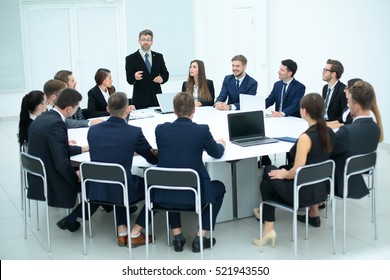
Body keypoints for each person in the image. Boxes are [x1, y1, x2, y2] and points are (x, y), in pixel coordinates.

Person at [253, 93, 336, 247]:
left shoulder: (306, 138)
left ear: (303, 111)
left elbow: (297, 170)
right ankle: (270, 226)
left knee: (268, 173)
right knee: (272, 178)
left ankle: (268, 227)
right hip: (321, 191)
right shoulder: (329, 132)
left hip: (302, 193)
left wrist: (284, 173)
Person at [155, 92, 226, 253]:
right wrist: (221, 143)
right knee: (219, 188)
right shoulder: (201, 130)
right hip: (196, 193)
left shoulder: (161, 130)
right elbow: (216, 153)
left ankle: (177, 237)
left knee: (171, 180)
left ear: (174, 110)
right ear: (194, 109)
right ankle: (201, 237)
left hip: (167, 192)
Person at [87, 92, 158, 247]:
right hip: (122, 187)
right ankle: (136, 232)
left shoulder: (93, 130)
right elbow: (152, 159)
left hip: (96, 187)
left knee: (118, 178)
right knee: (156, 188)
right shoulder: (133, 132)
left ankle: (122, 232)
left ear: (107, 108)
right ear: (127, 110)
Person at [27, 88, 90, 232]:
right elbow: (61, 163)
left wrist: (80, 149)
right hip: (51, 179)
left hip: (38, 176)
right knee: (94, 181)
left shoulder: (44, 116)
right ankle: (72, 219)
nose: (76, 110)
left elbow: (55, 149)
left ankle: (73, 218)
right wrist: (75, 176)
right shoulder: (57, 124)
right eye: (76, 107)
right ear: (69, 109)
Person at [331, 81, 382, 199]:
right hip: (359, 170)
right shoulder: (376, 128)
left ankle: (313, 208)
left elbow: (329, 152)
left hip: (340, 178)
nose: (348, 105)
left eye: (349, 103)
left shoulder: (347, 131)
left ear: (356, 106)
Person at [261, 59, 306, 166]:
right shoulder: (277, 85)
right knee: (264, 132)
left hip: (292, 121)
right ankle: (265, 159)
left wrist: (282, 113)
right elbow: (269, 100)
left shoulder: (299, 87)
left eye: (282, 70)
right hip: (277, 119)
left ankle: (291, 163)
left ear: (290, 73)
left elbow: (296, 105)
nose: (278, 71)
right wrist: (257, 107)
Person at [125, 29, 169, 109]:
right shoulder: (130, 58)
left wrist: (162, 79)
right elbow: (129, 79)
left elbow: (165, 74)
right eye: (143, 40)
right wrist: (134, 77)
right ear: (139, 41)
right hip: (139, 101)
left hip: (156, 100)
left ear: (152, 42)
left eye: (148, 40)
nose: (145, 42)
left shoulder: (159, 57)